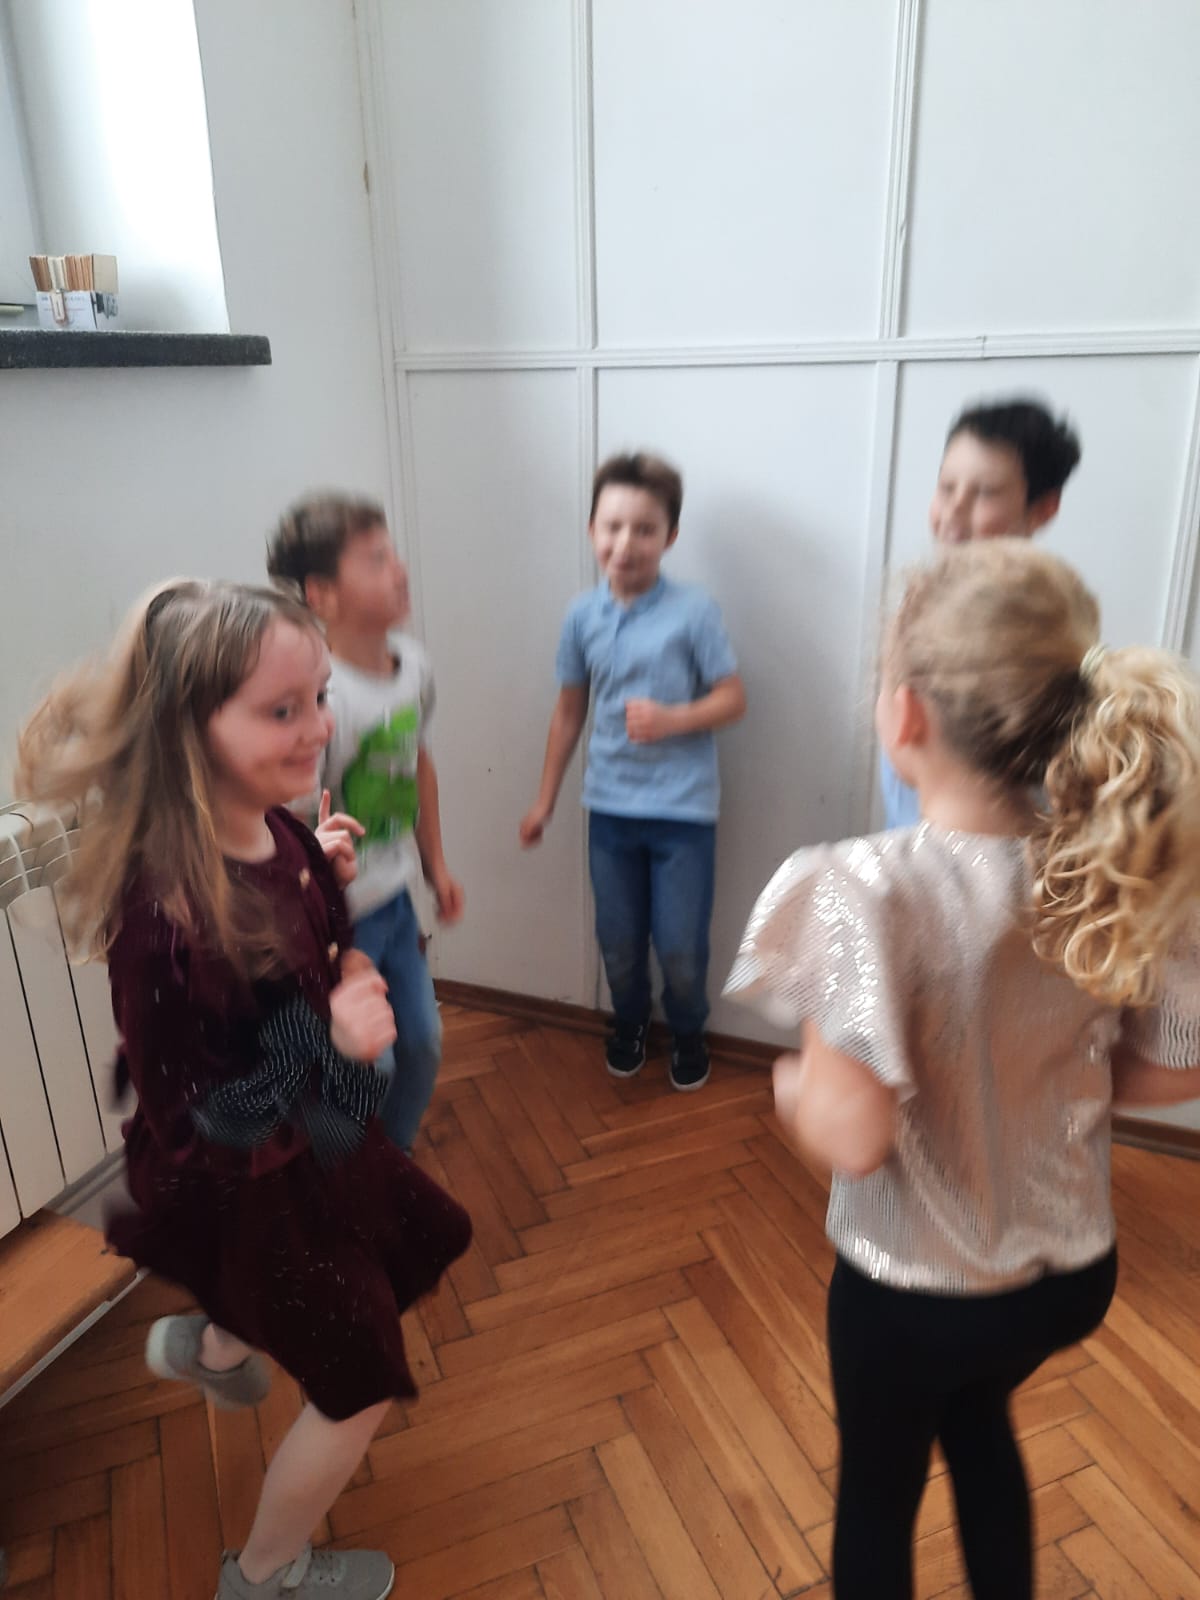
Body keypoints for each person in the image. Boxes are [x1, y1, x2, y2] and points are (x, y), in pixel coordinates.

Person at [726, 539, 1200, 1600]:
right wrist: (1051, 1076)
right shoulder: (1102, 871)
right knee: (979, 1416)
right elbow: (1172, 1070)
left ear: (904, 714)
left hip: (916, 1292)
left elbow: (854, 1136)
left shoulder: (864, 890)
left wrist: (794, 1090)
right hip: (1068, 1275)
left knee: (878, 1497)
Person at [16, 580, 472, 1600]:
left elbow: (307, 955)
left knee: (377, 1256)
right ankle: (266, 1573)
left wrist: (324, 884)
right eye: (282, 710)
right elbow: (205, 1116)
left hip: (309, 1145)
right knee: (360, 1380)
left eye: (320, 698)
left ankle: (220, 1347)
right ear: (191, 730)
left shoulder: (280, 830)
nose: (320, 728)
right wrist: (332, 1035)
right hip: (250, 1177)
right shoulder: (165, 917)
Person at [520, 452, 746, 1091]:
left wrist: (674, 719)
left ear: (669, 537)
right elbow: (569, 712)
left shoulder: (695, 611)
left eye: (645, 529)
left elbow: (734, 698)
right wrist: (545, 800)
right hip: (610, 812)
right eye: (613, 526)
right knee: (617, 940)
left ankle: (689, 1030)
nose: (626, 543)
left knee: (680, 946)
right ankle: (629, 1021)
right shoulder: (581, 616)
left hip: (683, 815)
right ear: (592, 529)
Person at [267, 495, 463, 1153]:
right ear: (322, 593)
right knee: (366, 1064)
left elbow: (419, 765)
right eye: (376, 561)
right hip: (339, 922)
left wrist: (435, 866)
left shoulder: (414, 668)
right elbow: (294, 826)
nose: (398, 570)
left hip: (395, 902)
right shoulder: (323, 699)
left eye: (393, 554)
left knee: (423, 1045)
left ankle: (389, 1162)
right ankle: (341, 1172)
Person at [882, 398, 1082, 829]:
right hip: (914, 839)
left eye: (985, 493)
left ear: (1043, 508)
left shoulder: (1039, 622)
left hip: (983, 843)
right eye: (946, 487)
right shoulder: (916, 601)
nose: (955, 509)